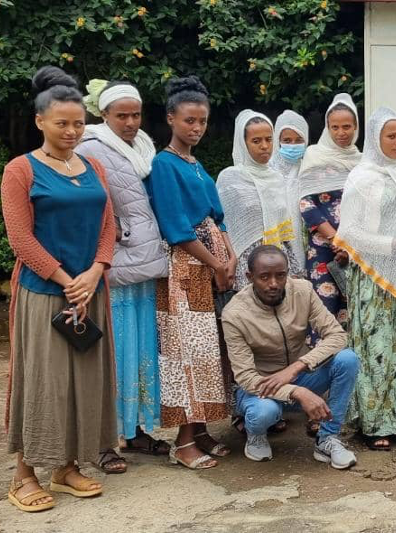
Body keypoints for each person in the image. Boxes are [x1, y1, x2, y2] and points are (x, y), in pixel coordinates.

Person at [2, 66, 117, 513]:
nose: (71, 131)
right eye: (62, 123)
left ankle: (66, 467)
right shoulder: (21, 170)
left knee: (83, 382)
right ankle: (24, 473)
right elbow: (20, 238)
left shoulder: (95, 167)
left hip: (91, 291)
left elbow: (108, 224)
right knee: (43, 383)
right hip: (44, 292)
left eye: (77, 123)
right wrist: (67, 280)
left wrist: (96, 271)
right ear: (40, 122)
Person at [76, 79, 169, 475]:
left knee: (142, 349)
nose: (130, 122)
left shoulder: (143, 147)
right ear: (104, 115)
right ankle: (104, 440)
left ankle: (134, 430)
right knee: (114, 355)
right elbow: (89, 208)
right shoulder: (90, 148)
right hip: (113, 265)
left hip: (146, 265)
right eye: (121, 115)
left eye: (135, 114)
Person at [146, 76, 237, 469]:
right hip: (186, 271)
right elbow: (175, 228)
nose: (196, 128)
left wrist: (229, 255)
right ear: (170, 119)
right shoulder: (164, 165)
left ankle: (201, 429)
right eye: (189, 121)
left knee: (209, 350)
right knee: (188, 353)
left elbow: (218, 217)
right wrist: (217, 262)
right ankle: (183, 442)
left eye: (202, 121)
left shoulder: (197, 164)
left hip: (212, 267)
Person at [333, 107, 396, 450]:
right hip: (376, 277)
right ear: (376, 139)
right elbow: (349, 232)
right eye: (390, 136)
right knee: (377, 347)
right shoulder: (362, 178)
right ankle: (376, 425)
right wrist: (392, 245)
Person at [222, 245, 359, 469]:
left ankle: (328, 439)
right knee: (264, 412)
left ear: (287, 272)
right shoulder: (234, 314)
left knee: (347, 359)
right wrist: (297, 391)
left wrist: (297, 367)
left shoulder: (302, 291)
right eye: (264, 277)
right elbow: (246, 378)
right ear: (249, 277)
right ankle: (255, 435)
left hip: (302, 375)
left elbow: (337, 336)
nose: (273, 283)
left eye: (280, 275)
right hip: (261, 389)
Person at [217, 110, 305, 292]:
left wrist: (293, 268)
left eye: (268, 139)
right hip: (245, 265)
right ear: (243, 144)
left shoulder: (276, 178)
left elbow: (283, 233)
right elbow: (223, 226)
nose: (264, 146)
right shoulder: (231, 178)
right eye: (256, 141)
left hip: (276, 264)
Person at [298, 94, 361, 324]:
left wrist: (349, 240)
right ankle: (321, 359)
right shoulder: (315, 156)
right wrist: (334, 237)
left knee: (352, 307)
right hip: (324, 247)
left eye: (347, 126)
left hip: (355, 247)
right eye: (335, 127)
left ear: (356, 127)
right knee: (324, 308)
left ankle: (348, 360)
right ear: (327, 128)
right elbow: (305, 203)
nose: (341, 132)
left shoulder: (361, 161)